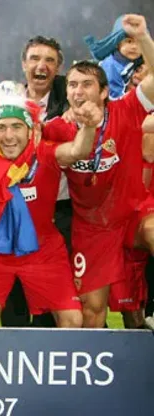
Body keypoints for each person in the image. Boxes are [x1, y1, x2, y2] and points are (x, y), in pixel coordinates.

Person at [43, 15, 154, 328]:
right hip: (93, 228)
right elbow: (63, 151)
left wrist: (143, 37)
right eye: (73, 85)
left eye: (87, 84)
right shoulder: (55, 129)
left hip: (135, 214)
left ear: (104, 92)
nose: (78, 90)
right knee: (91, 313)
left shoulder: (127, 109)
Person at [0, 81, 102, 328]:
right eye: (1, 128)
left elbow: (78, 151)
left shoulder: (46, 153)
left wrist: (88, 126)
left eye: (17, 127)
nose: (8, 136)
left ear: (31, 129)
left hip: (43, 252)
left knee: (73, 320)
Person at [3, 35, 70, 329]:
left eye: (49, 61)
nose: (41, 66)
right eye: (34, 59)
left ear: (58, 68)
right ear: (23, 64)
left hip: (60, 207)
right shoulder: (5, 102)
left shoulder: (70, 101)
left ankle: (47, 357)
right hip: (14, 208)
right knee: (14, 294)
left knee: (50, 292)